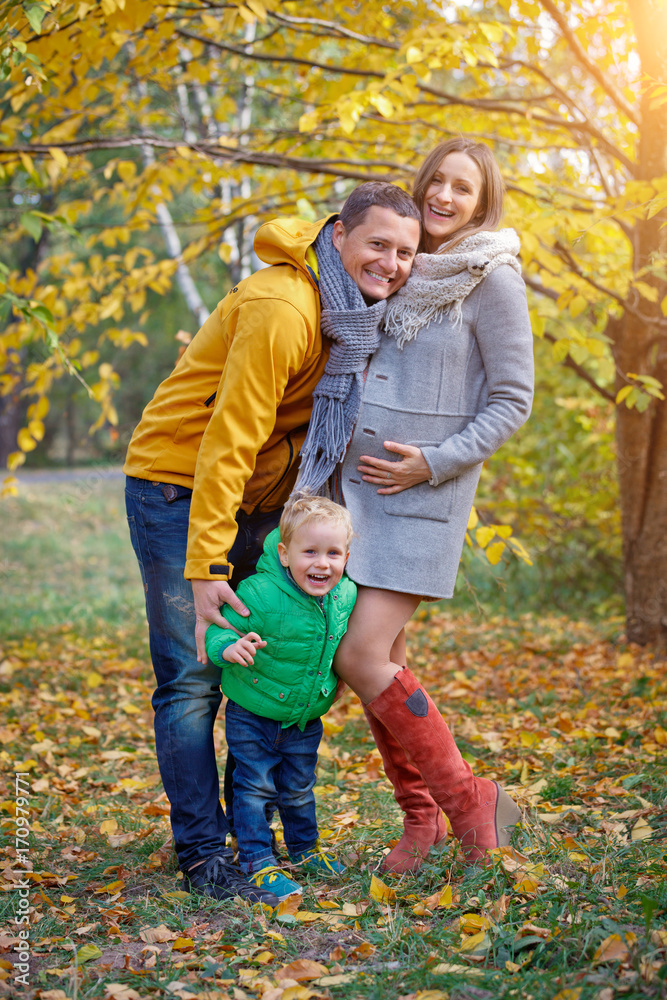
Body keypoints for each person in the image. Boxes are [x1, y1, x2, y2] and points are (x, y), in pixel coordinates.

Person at [123, 182, 422, 904]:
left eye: (406, 252)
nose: (390, 262)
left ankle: (250, 834)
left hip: (260, 493)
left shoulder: (351, 317)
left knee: (250, 670)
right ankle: (202, 853)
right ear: (340, 235)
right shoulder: (285, 309)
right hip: (178, 483)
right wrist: (205, 569)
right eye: (377, 243)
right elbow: (228, 440)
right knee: (195, 677)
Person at [317, 139, 535, 874]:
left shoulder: (491, 280)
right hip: (355, 497)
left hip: (421, 498)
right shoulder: (402, 268)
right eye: (435, 180)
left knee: (359, 655)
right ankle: (421, 820)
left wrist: (432, 464)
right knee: (387, 661)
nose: (443, 196)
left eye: (461, 188)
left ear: (482, 203)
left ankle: (471, 800)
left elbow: (512, 400)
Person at [204, 494, 355, 901]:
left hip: (304, 719)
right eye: (310, 552)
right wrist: (227, 648)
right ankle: (256, 859)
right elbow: (220, 628)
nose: (322, 563)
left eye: (333, 553)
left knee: (299, 787)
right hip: (252, 712)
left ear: (346, 555)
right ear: (285, 554)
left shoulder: (345, 597)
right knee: (254, 787)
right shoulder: (259, 592)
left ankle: (305, 851)